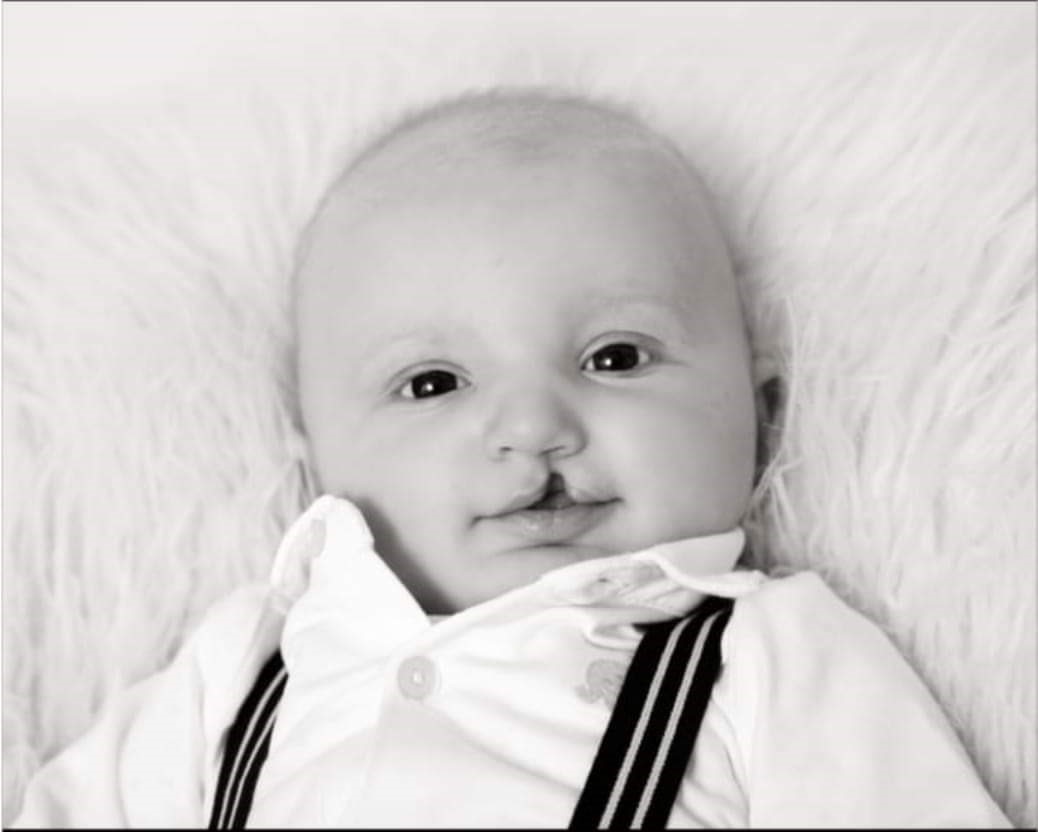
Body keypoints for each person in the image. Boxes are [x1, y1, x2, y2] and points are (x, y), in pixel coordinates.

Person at [13, 89, 1010, 828]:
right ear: (315, 450)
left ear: (760, 411)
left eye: (615, 358)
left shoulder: (771, 654)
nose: (532, 426)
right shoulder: (245, 662)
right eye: (433, 382)